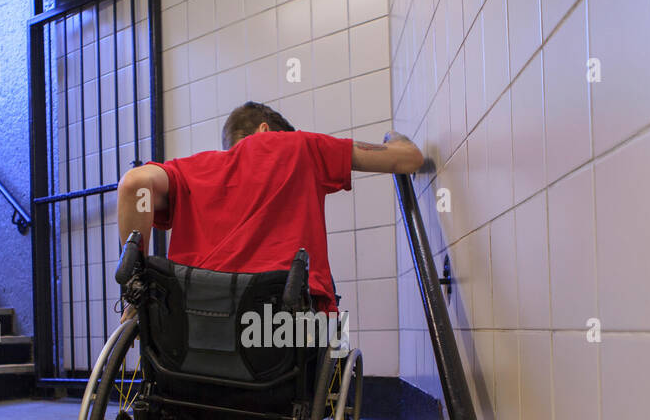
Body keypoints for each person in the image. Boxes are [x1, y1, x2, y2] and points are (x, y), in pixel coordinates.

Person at [115, 101, 425, 316]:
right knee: (333, 327)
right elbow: (408, 159)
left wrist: (136, 292)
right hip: (283, 329)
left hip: (190, 328)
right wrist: (394, 138)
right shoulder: (301, 145)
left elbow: (135, 185)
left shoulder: (192, 169)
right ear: (266, 131)